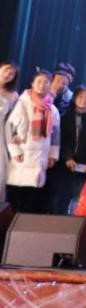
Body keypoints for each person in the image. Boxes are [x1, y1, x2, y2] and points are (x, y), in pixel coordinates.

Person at [6, 69, 60, 213]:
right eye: (39, 81)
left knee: (33, 200)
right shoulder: (22, 103)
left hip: (41, 156)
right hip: (23, 155)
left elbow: (55, 135)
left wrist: (52, 155)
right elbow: (9, 128)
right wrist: (15, 151)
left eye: (46, 82)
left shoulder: (52, 109)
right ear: (32, 83)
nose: (42, 85)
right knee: (17, 198)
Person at [53, 85, 86, 214]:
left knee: (80, 203)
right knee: (60, 201)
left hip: (85, 168)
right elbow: (60, 140)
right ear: (74, 98)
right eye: (80, 96)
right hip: (64, 165)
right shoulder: (64, 117)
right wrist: (67, 158)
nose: (83, 100)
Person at [0, 62, 19, 203]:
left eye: (12, 74)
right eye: (6, 70)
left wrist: (16, 134)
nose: (8, 75)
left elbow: (15, 120)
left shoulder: (13, 95)